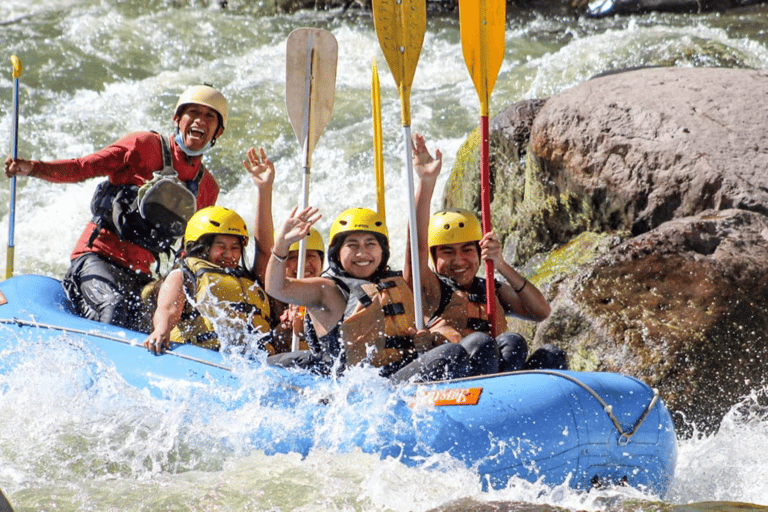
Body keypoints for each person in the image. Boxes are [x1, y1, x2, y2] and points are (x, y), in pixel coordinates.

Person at [3, 84, 228, 332]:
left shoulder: (207, 188)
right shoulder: (143, 145)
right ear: (178, 119)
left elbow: (190, 251)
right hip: (95, 257)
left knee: (148, 328)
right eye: (193, 112)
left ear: (218, 131)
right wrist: (35, 168)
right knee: (114, 308)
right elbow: (83, 167)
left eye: (209, 116)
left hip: (142, 275)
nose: (200, 121)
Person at [265, 206, 494, 382]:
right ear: (337, 252)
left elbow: (415, 242)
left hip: (402, 375)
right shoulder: (328, 289)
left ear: (382, 250)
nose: (362, 253)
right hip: (371, 391)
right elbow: (277, 287)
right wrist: (281, 246)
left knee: (481, 343)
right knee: (452, 353)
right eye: (352, 245)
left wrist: (425, 341)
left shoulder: (396, 284)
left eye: (370, 244)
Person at [406, 133, 567, 372]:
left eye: (467, 250)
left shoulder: (493, 291)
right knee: (481, 343)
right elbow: (416, 247)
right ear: (434, 257)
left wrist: (500, 264)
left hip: (495, 389)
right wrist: (426, 182)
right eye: (448, 252)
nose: (459, 260)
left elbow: (541, 312)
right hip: (451, 386)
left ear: (479, 252)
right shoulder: (428, 289)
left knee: (535, 349)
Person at [143, 206, 274, 355]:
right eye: (220, 246)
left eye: (235, 247)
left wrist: (264, 189)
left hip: (254, 362)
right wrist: (161, 329)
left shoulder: (249, 279)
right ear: (202, 247)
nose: (229, 254)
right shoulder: (184, 274)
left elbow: (265, 253)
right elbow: (168, 309)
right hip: (205, 356)